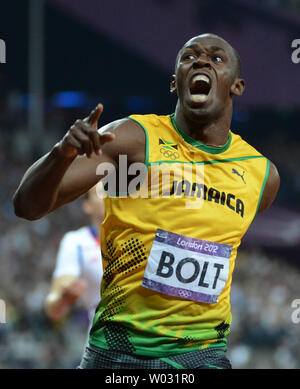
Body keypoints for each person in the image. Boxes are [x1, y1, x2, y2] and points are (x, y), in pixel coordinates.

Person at [13, 33, 280, 369]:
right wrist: (61, 153)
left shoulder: (261, 177)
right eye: (189, 57)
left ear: (236, 86)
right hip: (116, 355)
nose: (200, 62)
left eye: (216, 58)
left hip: (201, 356)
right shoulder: (132, 141)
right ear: (174, 83)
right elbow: (27, 206)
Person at [45, 183, 104, 327]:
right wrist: (62, 298)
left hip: (151, 337)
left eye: (113, 191)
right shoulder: (76, 241)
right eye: (101, 193)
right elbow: (53, 308)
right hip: (103, 337)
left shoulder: (142, 236)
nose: (108, 197)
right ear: (87, 205)